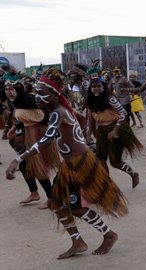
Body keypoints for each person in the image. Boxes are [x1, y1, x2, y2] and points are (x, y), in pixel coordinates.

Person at [5, 68, 128, 259]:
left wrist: (18, 158)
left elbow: (47, 139)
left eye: (43, 93)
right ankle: (77, 242)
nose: (37, 97)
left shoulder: (57, 113)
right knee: (55, 202)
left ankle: (109, 235)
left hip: (79, 165)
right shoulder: (60, 111)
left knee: (76, 207)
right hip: (70, 165)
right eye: (36, 93)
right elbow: (78, 118)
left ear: (55, 95)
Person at [4, 71, 60, 208]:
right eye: (6, 89)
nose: (9, 92)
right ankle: (34, 193)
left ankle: (52, 198)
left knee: (38, 167)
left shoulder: (30, 99)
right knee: (24, 166)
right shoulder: (16, 101)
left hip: (38, 134)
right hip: (29, 132)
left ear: (18, 88)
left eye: (11, 89)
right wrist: (16, 127)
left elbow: (49, 110)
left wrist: (49, 127)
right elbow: (22, 116)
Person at [85, 67, 143, 189]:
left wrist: (114, 131)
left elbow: (124, 114)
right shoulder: (90, 101)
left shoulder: (110, 98)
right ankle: (107, 185)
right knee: (100, 160)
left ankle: (133, 174)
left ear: (103, 87)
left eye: (99, 86)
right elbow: (90, 119)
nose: (96, 89)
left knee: (115, 162)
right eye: (94, 87)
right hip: (101, 131)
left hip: (116, 130)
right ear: (90, 88)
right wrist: (88, 134)